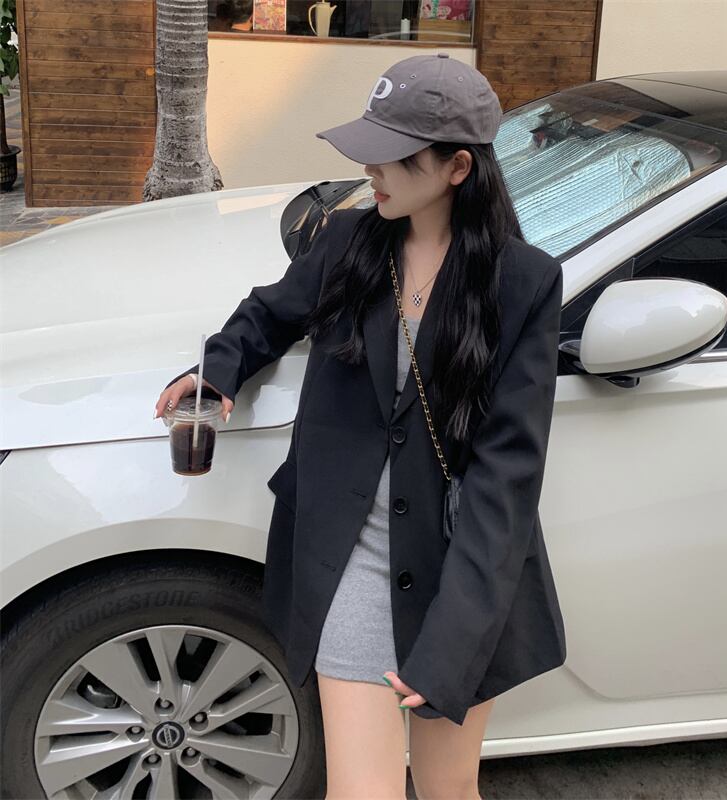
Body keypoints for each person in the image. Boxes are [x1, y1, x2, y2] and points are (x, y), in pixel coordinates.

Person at [155, 53, 566, 800]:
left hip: (459, 573)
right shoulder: (347, 241)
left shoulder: (522, 284)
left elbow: (507, 479)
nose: (368, 168)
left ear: (458, 168)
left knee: (447, 788)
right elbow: (270, 312)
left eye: (391, 154)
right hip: (350, 559)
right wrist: (219, 369)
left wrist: (453, 641)